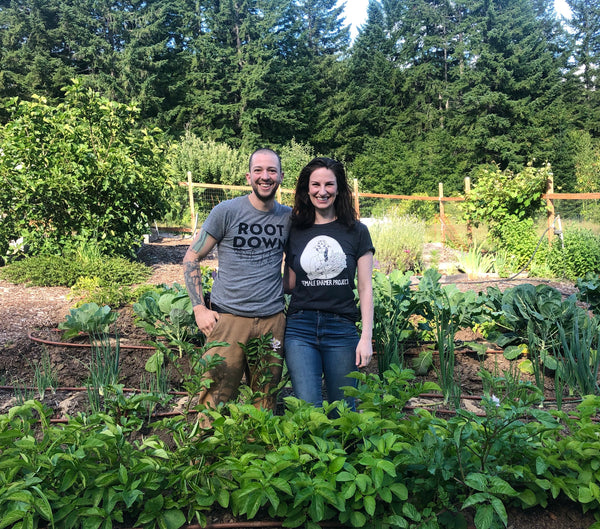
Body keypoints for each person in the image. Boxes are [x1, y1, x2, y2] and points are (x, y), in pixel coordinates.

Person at [183, 148, 291, 411]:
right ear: (248, 177)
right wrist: (199, 308)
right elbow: (191, 258)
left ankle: (256, 451)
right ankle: (207, 450)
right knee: (214, 399)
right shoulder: (226, 211)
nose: (265, 177)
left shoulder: (289, 217)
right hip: (228, 321)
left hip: (271, 322)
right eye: (258, 171)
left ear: (281, 176)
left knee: (264, 402)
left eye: (271, 171)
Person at [283, 157, 374, 411]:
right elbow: (289, 282)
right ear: (306, 189)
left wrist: (366, 336)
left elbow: (366, 288)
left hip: (341, 329)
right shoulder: (295, 229)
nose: (322, 191)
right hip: (300, 328)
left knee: (343, 410)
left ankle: (344, 452)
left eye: (329, 185)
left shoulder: (357, 231)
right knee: (307, 410)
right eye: (315, 184)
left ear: (339, 188)